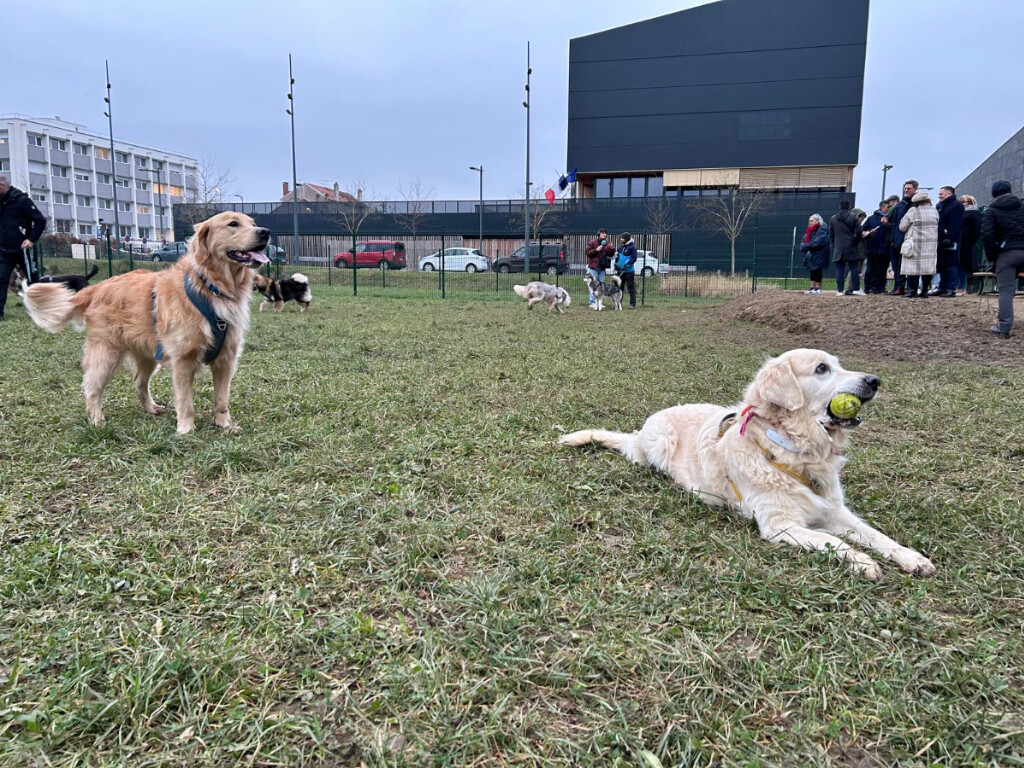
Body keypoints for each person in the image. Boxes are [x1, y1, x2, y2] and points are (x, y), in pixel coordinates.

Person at [0, 174, 47, 320]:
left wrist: (31, 239)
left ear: (3, 186)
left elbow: (40, 221)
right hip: (4, 249)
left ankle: (42, 309)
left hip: (23, 249)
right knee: (1, 279)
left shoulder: (21, 200)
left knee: (33, 279)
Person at [981, 180, 1024, 338]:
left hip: (1007, 254)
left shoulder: (991, 211)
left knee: (1006, 291)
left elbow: (987, 236)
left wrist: (993, 258)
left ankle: (1004, 327)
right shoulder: (1022, 206)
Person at [898, 189, 939, 298]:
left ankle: (912, 291)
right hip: (930, 243)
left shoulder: (913, 211)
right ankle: (925, 290)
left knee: (913, 269)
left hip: (915, 243)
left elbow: (902, 227)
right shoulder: (934, 211)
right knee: (927, 268)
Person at [888, 180, 919, 295]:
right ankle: (898, 286)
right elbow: (895, 224)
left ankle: (910, 288)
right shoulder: (900, 205)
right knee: (896, 266)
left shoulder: (917, 205)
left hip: (910, 240)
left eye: (909, 188)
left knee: (909, 265)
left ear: (915, 189)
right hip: (897, 239)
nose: (906, 190)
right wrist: (892, 239)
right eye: (905, 188)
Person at [829, 201, 865, 295]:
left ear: (839, 207)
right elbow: (859, 231)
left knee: (839, 269)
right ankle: (856, 289)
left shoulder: (833, 218)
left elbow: (831, 234)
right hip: (851, 246)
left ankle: (839, 290)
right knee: (854, 268)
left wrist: (835, 244)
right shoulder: (853, 217)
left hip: (838, 247)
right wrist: (855, 241)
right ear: (848, 207)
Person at [934, 185, 964, 298]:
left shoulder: (956, 206)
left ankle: (950, 288)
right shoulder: (941, 206)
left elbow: (956, 224)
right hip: (941, 239)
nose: (939, 196)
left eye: (941, 194)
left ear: (948, 194)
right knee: (942, 264)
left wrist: (950, 238)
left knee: (951, 264)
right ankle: (942, 286)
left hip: (950, 240)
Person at [862, 199, 893, 293]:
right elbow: (863, 230)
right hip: (872, 247)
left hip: (885, 248)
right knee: (870, 268)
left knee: (883, 269)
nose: (889, 209)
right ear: (882, 207)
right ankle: (868, 287)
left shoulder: (890, 218)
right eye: (887, 207)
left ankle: (880, 287)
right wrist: (869, 233)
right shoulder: (871, 218)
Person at [584, 228, 615, 308]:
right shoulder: (592, 242)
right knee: (592, 285)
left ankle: (599, 303)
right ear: (599, 234)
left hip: (602, 267)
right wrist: (596, 250)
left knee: (601, 286)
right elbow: (587, 253)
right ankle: (592, 302)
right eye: (602, 233)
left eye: (605, 233)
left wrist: (611, 249)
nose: (604, 234)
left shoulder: (607, 244)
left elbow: (611, 255)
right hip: (593, 267)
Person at [799, 213, 830, 294]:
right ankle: (812, 288)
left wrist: (805, 246)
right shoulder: (809, 232)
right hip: (811, 254)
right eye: (809, 221)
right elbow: (803, 241)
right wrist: (805, 246)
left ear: (817, 221)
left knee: (817, 270)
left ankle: (818, 288)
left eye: (812, 221)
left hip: (819, 254)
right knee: (812, 270)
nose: (810, 222)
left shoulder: (822, 231)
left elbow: (816, 243)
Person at [959, 195, 982, 294]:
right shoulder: (960, 213)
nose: (962, 204)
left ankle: (962, 287)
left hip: (967, 243)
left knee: (964, 265)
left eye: (964, 202)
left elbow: (976, 229)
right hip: (961, 242)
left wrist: (971, 240)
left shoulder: (974, 213)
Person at [614, 232, 637, 308]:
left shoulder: (632, 247)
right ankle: (618, 303)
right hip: (620, 271)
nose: (621, 239)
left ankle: (632, 304)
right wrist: (616, 266)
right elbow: (618, 257)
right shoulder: (621, 247)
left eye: (622, 238)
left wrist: (627, 264)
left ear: (626, 239)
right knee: (619, 288)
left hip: (629, 271)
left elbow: (634, 258)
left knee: (631, 287)